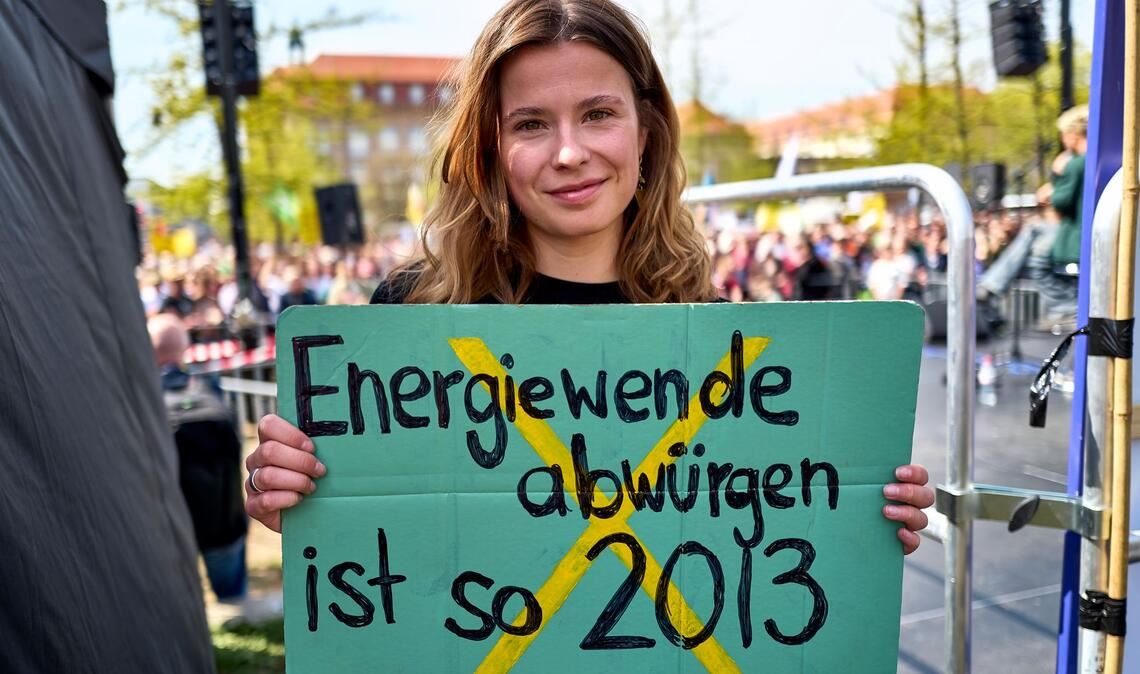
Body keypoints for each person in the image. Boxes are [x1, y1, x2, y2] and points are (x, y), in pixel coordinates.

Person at [244, 0, 934, 555]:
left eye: (598, 114)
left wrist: (856, 519)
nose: (570, 152)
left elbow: (748, 533)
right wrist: (298, 499)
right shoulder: (409, 321)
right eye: (533, 124)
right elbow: (367, 554)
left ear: (646, 132)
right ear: (491, 149)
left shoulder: (715, 330)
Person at [149, 314, 249, 602]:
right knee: (233, 601)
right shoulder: (212, 391)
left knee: (177, 606)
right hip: (223, 520)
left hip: (169, 526)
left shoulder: (143, 404)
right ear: (183, 349)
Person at [977, 105, 1088, 318]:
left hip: (1075, 234)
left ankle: (1065, 306)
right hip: (1078, 231)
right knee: (1034, 237)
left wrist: (1054, 182)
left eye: (1064, 135)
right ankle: (992, 284)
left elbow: (1062, 202)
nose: (1063, 140)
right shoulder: (1088, 161)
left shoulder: (1076, 164)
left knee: (1035, 247)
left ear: (1073, 135)